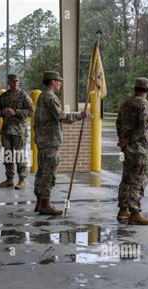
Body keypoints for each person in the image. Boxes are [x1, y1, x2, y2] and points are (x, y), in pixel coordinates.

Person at [33, 71, 87, 215]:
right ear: (52, 82)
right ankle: (45, 204)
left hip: (42, 140)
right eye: (59, 81)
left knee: (42, 172)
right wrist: (79, 116)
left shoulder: (41, 96)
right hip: (50, 141)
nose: (60, 84)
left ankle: (39, 202)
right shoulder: (51, 97)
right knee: (49, 174)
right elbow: (61, 116)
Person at [116, 77, 148, 225]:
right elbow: (142, 126)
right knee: (138, 180)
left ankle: (123, 210)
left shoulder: (126, 103)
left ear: (135, 89)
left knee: (126, 179)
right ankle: (135, 213)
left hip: (127, 149)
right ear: (147, 90)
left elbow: (118, 121)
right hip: (139, 149)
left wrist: (122, 139)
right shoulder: (145, 104)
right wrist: (129, 140)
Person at [0, 74, 34, 190]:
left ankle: (22, 180)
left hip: (19, 132)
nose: (16, 83)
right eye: (13, 81)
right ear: (9, 83)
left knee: (20, 155)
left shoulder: (24, 96)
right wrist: (3, 112)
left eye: (17, 81)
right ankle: (9, 179)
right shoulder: (4, 96)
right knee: (8, 156)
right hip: (6, 131)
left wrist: (15, 112)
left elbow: (31, 111)